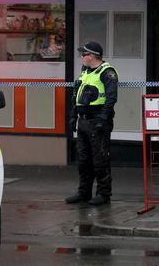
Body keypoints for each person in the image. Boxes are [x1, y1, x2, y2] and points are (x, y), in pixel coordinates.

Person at [65, 41, 118, 206]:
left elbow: (111, 98)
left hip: (98, 121)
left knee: (100, 160)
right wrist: (74, 116)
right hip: (83, 120)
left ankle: (103, 194)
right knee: (83, 160)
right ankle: (84, 193)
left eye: (84, 54)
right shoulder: (85, 71)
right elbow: (76, 95)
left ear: (93, 56)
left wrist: (102, 119)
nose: (81, 57)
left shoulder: (107, 72)